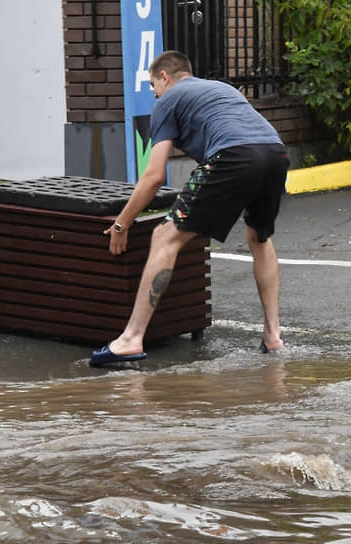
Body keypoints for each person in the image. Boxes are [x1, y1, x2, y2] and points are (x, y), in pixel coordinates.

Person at [90, 50, 289, 366]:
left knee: (165, 237)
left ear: (165, 77)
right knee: (260, 239)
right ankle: (273, 336)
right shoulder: (220, 89)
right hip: (276, 153)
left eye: (154, 84)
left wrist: (122, 223)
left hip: (233, 156)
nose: (153, 92)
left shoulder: (167, 101)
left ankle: (130, 338)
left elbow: (154, 175)